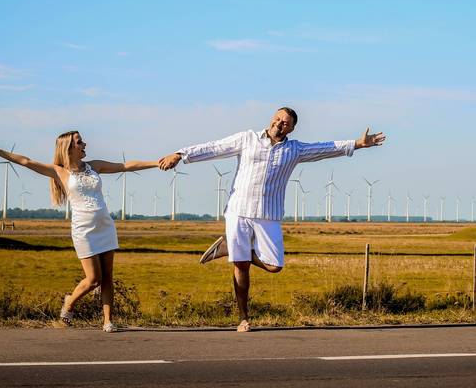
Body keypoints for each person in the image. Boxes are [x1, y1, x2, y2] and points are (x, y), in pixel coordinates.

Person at [158, 106, 385, 332]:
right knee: (241, 265)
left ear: (292, 128)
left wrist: (358, 143)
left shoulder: (294, 150)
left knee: (275, 266)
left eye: (285, 122)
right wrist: (180, 155)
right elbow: (214, 147)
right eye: (277, 119)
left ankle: (229, 248)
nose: (279, 123)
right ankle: (243, 318)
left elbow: (326, 148)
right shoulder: (247, 139)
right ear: (271, 119)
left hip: (269, 214)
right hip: (239, 210)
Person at [0, 131, 159, 332]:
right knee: (93, 280)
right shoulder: (59, 171)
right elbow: (26, 161)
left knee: (108, 277)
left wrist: (157, 162)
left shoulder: (94, 166)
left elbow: (125, 166)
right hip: (83, 230)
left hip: (105, 226)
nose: (84, 144)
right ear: (69, 148)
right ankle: (69, 302)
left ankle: (108, 321)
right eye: (79, 142)